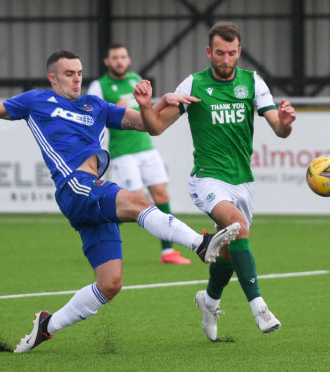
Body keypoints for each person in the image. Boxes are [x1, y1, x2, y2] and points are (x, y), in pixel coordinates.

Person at [0, 50, 241, 353]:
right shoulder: (36, 101)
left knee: (110, 284)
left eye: (79, 73)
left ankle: (48, 325)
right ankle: (200, 244)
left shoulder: (95, 105)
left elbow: (149, 124)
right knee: (137, 201)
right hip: (74, 184)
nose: (76, 79)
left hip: (90, 193)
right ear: (53, 78)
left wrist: (156, 104)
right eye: (68, 74)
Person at [133, 21, 296, 341]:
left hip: (243, 181)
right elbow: (155, 128)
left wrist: (287, 123)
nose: (225, 59)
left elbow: (280, 130)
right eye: (219, 53)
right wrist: (145, 106)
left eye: (232, 53)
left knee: (228, 251)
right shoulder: (193, 85)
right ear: (210, 52)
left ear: (239, 52)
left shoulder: (252, 83)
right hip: (207, 179)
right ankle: (260, 307)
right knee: (237, 226)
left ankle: (208, 301)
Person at [87, 44, 190, 264]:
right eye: (115, 57)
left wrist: (161, 103)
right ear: (107, 62)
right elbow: (90, 114)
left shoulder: (136, 79)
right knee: (137, 201)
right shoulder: (100, 86)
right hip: (123, 151)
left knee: (161, 195)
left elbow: (147, 110)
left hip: (146, 147)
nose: (119, 61)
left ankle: (167, 252)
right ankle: (99, 224)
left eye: (123, 57)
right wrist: (113, 107)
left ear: (129, 59)